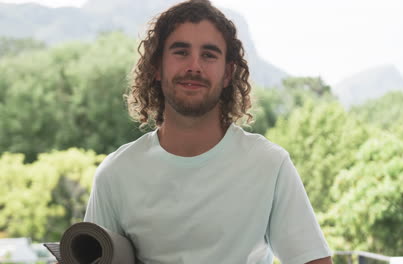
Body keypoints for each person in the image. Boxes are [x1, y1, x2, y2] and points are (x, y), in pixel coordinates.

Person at [84, 0, 333, 263]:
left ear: (227, 73)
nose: (194, 66)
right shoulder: (115, 174)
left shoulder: (269, 165)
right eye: (181, 52)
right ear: (157, 67)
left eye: (209, 55)